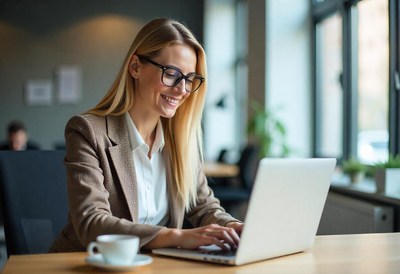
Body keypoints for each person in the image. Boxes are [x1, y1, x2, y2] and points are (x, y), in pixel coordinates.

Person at [50, 18, 243, 253]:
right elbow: (91, 223)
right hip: (91, 264)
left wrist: (233, 227)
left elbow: (204, 207)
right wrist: (177, 236)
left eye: (190, 79)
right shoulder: (87, 131)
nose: (182, 89)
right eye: (172, 73)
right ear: (135, 67)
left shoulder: (179, 140)